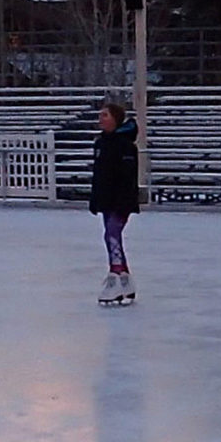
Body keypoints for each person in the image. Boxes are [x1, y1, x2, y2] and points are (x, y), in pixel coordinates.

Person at [89, 101, 139, 307]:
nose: (101, 118)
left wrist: (124, 201)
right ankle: (125, 279)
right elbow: (99, 175)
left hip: (121, 201)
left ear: (116, 119)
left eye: (105, 115)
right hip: (106, 200)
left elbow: (127, 178)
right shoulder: (101, 144)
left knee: (111, 234)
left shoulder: (126, 146)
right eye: (100, 115)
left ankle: (115, 275)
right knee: (111, 235)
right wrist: (95, 199)